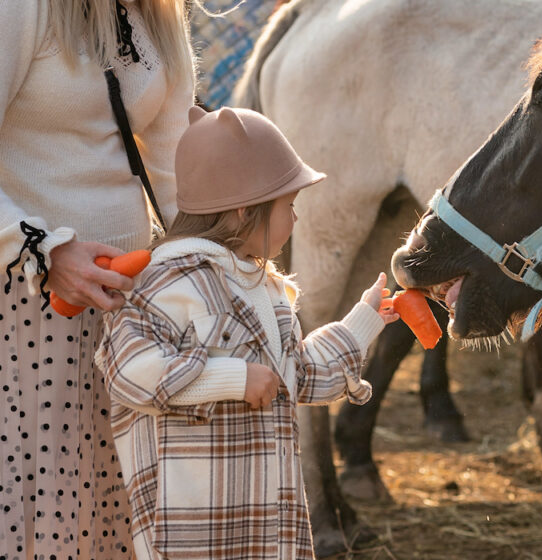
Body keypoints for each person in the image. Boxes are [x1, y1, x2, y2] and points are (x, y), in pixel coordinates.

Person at [95, 106, 399, 560]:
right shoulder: (163, 284)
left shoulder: (267, 289)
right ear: (243, 212)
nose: (295, 220)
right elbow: (128, 373)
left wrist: (366, 318)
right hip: (192, 531)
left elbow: (299, 374)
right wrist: (233, 379)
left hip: (267, 526)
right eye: (288, 207)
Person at [0, 1, 195, 557]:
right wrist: (43, 252)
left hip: (124, 305)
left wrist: (207, 263)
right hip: (29, 300)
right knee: (44, 495)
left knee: (112, 495)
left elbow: (175, 159)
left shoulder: (159, 10)